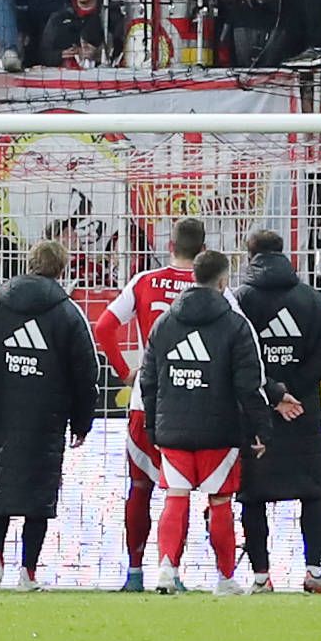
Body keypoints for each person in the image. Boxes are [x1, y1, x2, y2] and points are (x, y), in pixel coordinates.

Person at [0, 238, 103, 590]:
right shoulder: (69, 314)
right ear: (62, 269)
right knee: (37, 497)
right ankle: (27, 572)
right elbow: (87, 372)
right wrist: (82, 421)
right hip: (46, 418)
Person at [135, 245, 270, 593]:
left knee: (175, 497)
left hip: (173, 428)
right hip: (219, 431)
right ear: (224, 280)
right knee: (220, 502)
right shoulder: (235, 325)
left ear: (193, 278)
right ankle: (225, 579)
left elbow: (148, 380)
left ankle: (166, 569)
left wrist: (153, 425)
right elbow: (248, 384)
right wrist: (259, 428)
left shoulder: (165, 322)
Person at [229, 226, 321, 593]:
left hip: (255, 411)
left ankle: (261, 577)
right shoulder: (312, 298)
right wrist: (295, 391)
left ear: (250, 257)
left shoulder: (239, 299)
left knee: (253, 495)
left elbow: (237, 357)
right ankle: (314, 572)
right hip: (304, 409)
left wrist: (272, 394)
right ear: (284, 254)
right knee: (312, 492)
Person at [105, 217, 208, 590]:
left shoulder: (144, 281)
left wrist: (124, 371)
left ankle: (134, 572)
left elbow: (103, 326)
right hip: (195, 400)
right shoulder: (209, 284)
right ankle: (174, 570)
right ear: (203, 250)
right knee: (185, 493)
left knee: (140, 487)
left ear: (170, 246)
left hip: (144, 401)